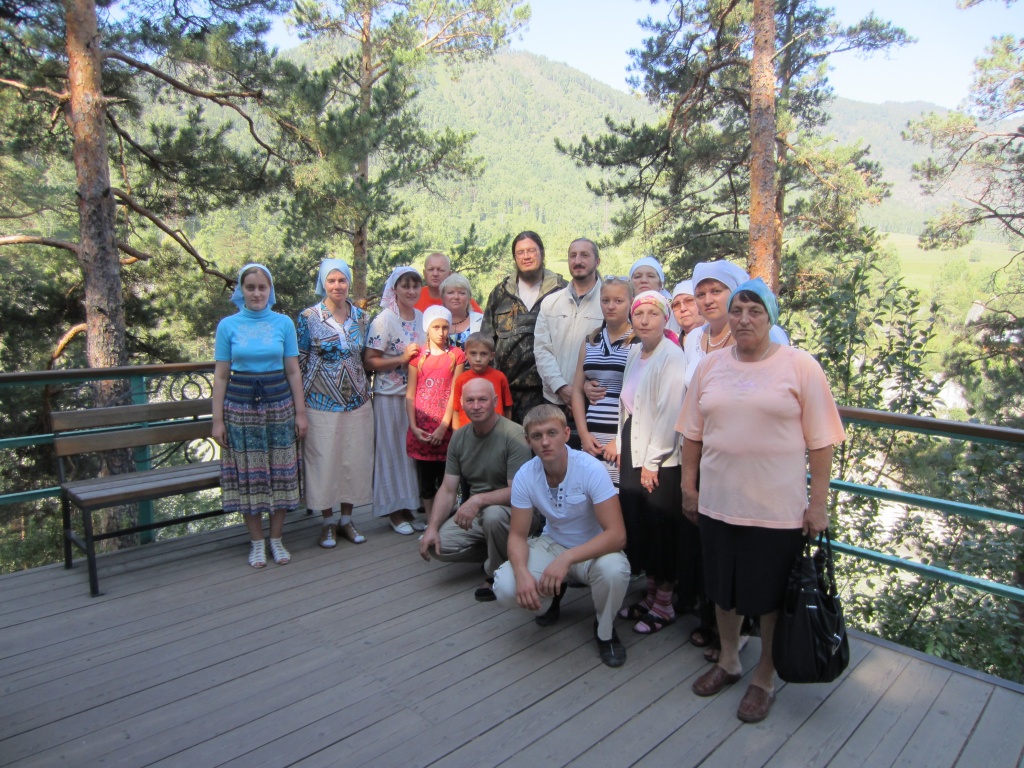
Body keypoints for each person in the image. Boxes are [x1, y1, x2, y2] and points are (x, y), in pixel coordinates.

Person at [679, 278, 845, 724]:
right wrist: (689, 488)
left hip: (776, 510)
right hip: (718, 503)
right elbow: (692, 434)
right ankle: (729, 661)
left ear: (771, 317)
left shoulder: (800, 366)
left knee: (771, 597)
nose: (744, 319)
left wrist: (818, 504)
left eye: (755, 311)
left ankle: (765, 678)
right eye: (737, 310)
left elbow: (822, 441)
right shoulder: (710, 366)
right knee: (723, 590)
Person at [492, 404, 631, 668]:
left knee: (614, 570)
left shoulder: (590, 469)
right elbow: (518, 535)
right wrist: (522, 574)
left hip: (592, 549)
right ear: (528, 441)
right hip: (553, 543)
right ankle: (551, 598)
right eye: (537, 436)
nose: (545, 442)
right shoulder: (525, 475)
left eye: (552, 433)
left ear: (567, 434)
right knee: (506, 586)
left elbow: (617, 536)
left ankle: (605, 631)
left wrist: (566, 559)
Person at [212, 263, 307, 568]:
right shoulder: (228, 326)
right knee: (248, 475)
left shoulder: (283, 324)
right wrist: (217, 420)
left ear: (270, 290)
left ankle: (276, 539)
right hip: (240, 410)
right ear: (241, 290)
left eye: (262, 287)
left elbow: (293, 371)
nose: (256, 293)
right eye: (250, 287)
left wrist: (300, 413)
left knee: (281, 473)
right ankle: (256, 542)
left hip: (279, 406)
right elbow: (221, 376)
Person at [418, 378, 538, 601]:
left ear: (495, 401)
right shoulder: (459, 437)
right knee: (438, 546)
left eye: (482, 400)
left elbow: (519, 492)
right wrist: (431, 527)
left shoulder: (514, 435)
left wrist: (477, 500)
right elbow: (448, 489)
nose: (476, 406)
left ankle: (495, 574)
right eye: (470, 400)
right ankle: (498, 551)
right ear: (462, 403)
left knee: (493, 515)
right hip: (478, 514)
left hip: (516, 512)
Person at [616, 290, 692, 634]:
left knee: (661, 528)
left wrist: (652, 461)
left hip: (659, 458)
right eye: (639, 314)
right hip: (634, 446)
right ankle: (649, 597)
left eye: (653, 313)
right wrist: (621, 444)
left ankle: (664, 603)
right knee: (641, 524)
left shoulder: (671, 356)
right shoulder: (636, 352)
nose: (645, 320)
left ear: (665, 319)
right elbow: (626, 404)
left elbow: (669, 412)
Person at [297, 258, 373, 548]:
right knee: (324, 461)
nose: (337, 286)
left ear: (349, 283)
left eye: (342, 280)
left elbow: (364, 358)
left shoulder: (361, 317)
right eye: (331, 280)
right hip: (320, 402)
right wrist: (298, 406)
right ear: (323, 283)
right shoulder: (309, 317)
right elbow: (299, 361)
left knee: (353, 459)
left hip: (357, 401)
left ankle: (347, 520)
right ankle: (327, 522)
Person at [480, 231, 567, 424]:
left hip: (549, 394)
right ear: (515, 258)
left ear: (542, 253)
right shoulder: (500, 293)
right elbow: (485, 341)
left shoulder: (562, 291)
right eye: (520, 252)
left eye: (531, 250)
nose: (526, 256)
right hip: (506, 394)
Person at [364, 266, 424, 535]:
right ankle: (393, 511)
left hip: (416, 397)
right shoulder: (384, 320)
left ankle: (409, 505)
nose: (411, 291)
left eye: (415, 285)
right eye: (405, 286)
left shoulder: (421, 317)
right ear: (394, 289)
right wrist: (401, 359)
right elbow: (370, 361)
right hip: (389, 396)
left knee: (410, 454)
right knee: (391, 451)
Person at [534, 237, 604, 444]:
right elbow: (542, 350)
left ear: (597, 261)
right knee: (555, 458)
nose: (577, 261)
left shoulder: (608, 302)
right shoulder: (550, 303)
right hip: (555, 400)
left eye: (584, 255)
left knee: (592, 457)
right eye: (573, 256)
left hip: (595, 402)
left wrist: (582, 390)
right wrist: (561, 387)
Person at [570, 277, 637, 485]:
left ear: (631, 302)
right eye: (605, 300)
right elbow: (577, 391)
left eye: (618, 301)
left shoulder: (638, 341)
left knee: (620, 495)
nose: (611, 306)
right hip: (592, 437)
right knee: (593, 492)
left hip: (624, 437)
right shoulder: (590, 340)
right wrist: (583, 434)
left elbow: (643, 396)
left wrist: (621, 440)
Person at [683, 260, 789, 388]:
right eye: (700, 295)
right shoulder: (693, 338)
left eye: (716, 291)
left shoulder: (767, 332)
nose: (708, 301)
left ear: (734, 293)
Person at [406, 306, 466, 522]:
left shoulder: (456, 356)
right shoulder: (418, 357)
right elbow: (410, 394)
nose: (441, 332)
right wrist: (414, 427)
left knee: (446, 479)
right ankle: (431, 522)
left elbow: (454, 392)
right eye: (436, 327)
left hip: (445, 428)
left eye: (445, 327)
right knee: (427, 481)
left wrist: (443, 426)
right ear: (427, 328)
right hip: (422, 428)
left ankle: (443, 522)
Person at [451, 332, 514, 430]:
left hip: (496, 431)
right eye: (473, 353)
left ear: (491, 356)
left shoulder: (500, 377)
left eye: (483, 354)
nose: (478, 359)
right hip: (467, 432)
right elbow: (456, 409)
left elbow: (508, 407)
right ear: (466, 355)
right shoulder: (461, 379)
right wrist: (456, 433)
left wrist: (506, 431)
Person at [629, 256, 681, 338]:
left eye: (650, 276)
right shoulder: (621, 308)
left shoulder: (673, 311)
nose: (644, 280)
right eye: (637, 276)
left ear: (660, 284)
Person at [415, 251, 483, 313]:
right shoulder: (414, 296)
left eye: (440, 270)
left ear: (449, 274)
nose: (435, 274)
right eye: (431, 269)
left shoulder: (462, 300)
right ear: (424, 273)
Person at [440, 273, 484, 350]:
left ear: (469, 298)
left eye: (462, 293)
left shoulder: (481, 321)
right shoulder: (433, 322)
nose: (456, 297)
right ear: (442, 297)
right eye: (450, 292)